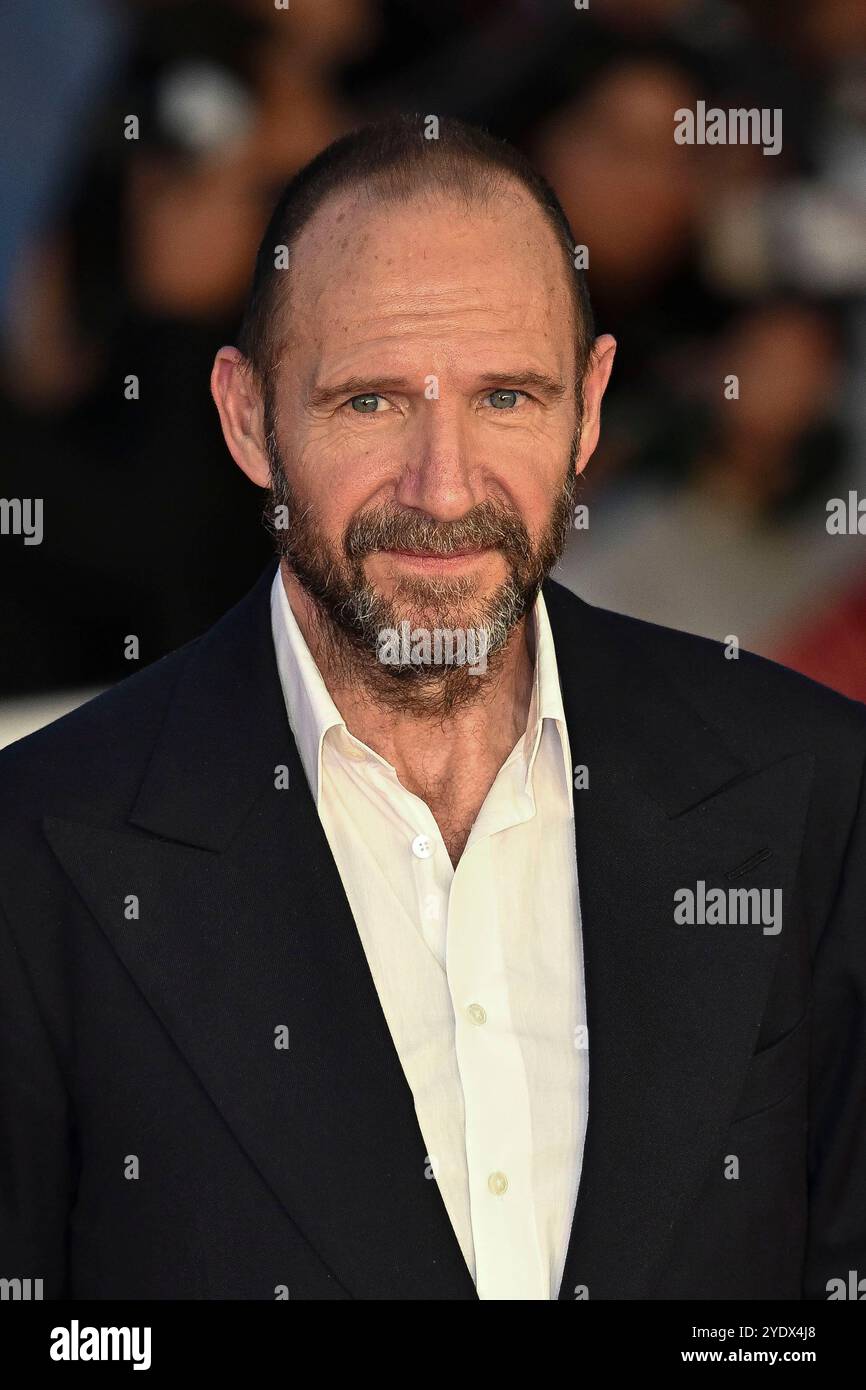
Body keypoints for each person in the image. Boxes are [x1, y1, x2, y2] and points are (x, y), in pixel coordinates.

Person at [1, 115, 864, 1302]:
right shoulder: (34, 853)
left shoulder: (815, 786)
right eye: (368, 404)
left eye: (506, 396)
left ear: (590, 407)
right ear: (247, 416)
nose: (443, 486)